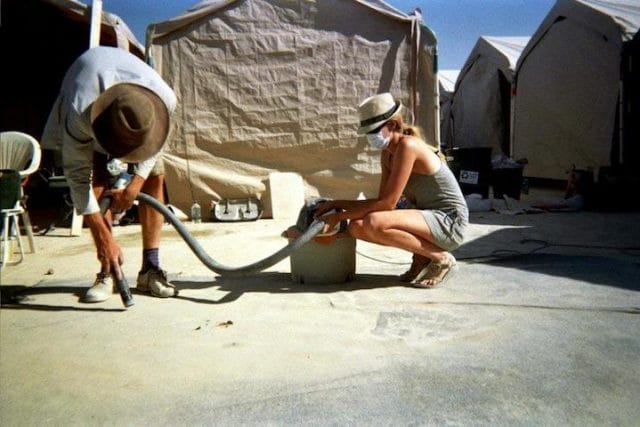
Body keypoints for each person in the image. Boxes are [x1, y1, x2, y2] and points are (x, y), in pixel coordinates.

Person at [42, 46, 178, 302]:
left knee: (154, 177)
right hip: (91, 98)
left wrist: (134, 186)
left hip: (125, 96)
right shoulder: (80, 110)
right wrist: (102, 237)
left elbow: (155, 147)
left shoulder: (165, 99)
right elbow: (78, 177)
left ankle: (151, 269)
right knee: (98, 179)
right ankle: (107, 268)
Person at [314, 93, 468, 288]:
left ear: (393, 125)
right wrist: (337, 204)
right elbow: (380, 201)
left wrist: (337, 217)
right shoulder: (388, 154)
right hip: (430, 218)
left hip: (450, 222)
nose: (371, 138)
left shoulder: (408, 146)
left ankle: (440, 258)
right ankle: (421, 258)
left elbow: (388, 204)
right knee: (357, 226)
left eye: (374, 132)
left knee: (374, 221)